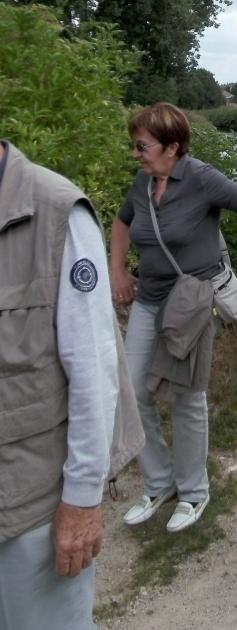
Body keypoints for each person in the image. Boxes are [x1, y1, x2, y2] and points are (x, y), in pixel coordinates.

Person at [111, 102, 237, 533]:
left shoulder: (200, 177)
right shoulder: (143, 183)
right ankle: (159, 482)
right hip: (149, 298)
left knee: (186, 395)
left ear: (172, 146)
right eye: (135, 146)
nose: (136, 154)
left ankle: (193, 492)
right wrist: (117, 271)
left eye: (142, 146)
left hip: (193, 302)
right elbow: (121, 222)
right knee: (132, 391)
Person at [0, 140, 131, 629]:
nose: (138, 154)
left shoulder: (55, 212)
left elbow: (96, 373)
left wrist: (81, 500)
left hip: (27, 500)